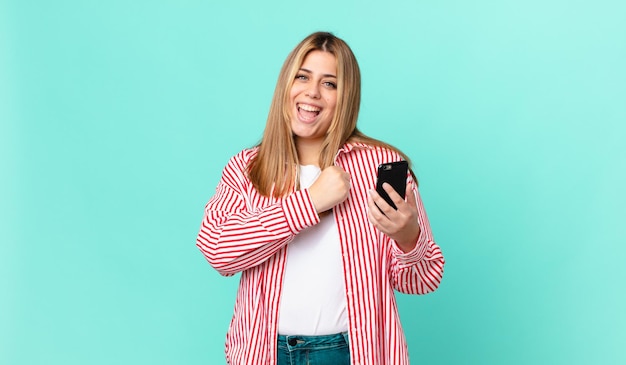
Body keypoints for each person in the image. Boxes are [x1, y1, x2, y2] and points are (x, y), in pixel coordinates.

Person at [196, 31, 445, 365]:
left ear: (347, 97)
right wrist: (309, 202)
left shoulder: (379, 167)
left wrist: (407, 236)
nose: (312, 92)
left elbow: (423, 280)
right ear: (286, 84)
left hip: (351, 354)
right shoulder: (246, 167)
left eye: (330, 83)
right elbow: (217, 251)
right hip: (264, 354)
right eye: (303, 76)